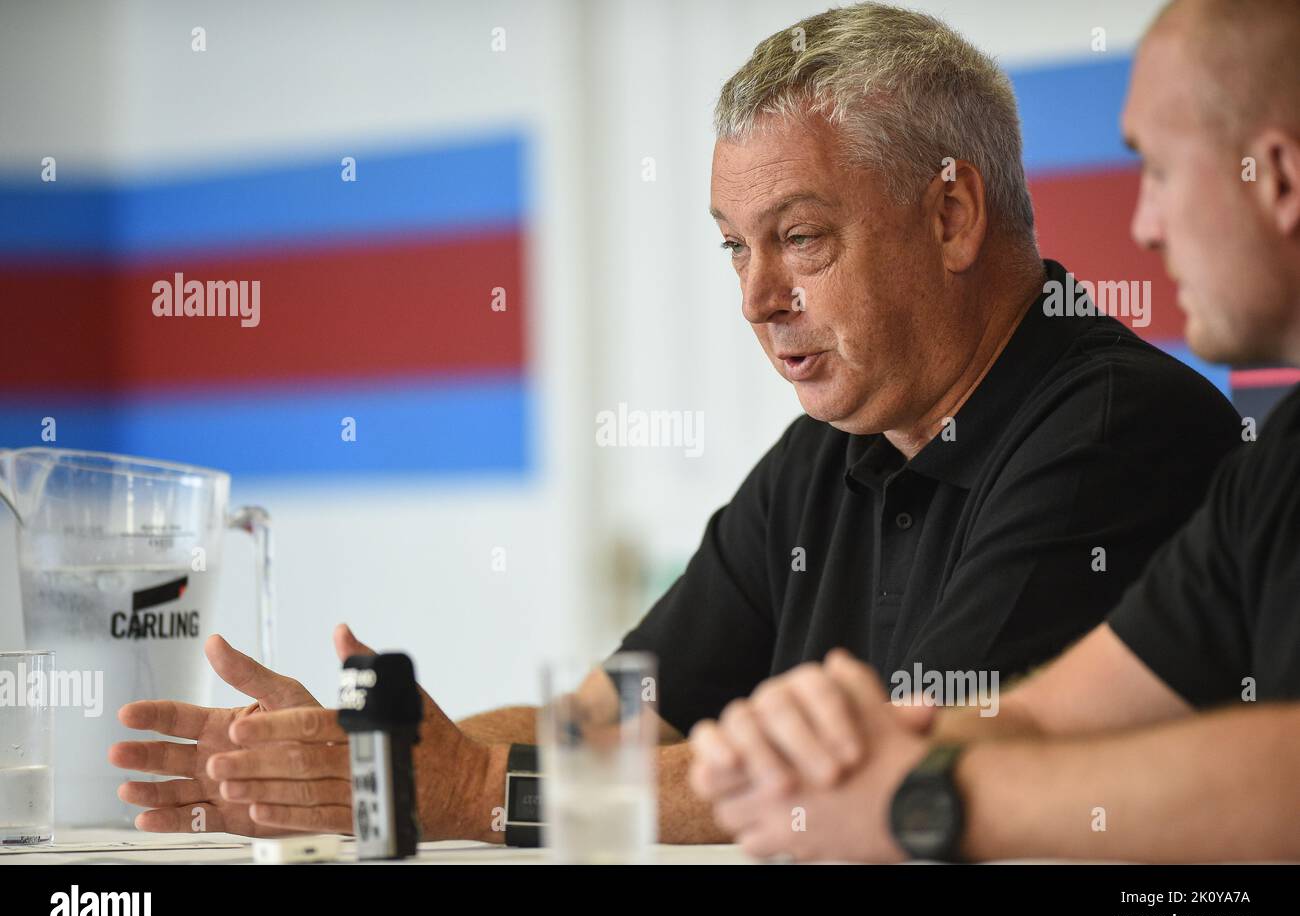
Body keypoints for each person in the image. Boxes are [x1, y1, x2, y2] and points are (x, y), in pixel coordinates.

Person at [110, 1, 1240, 844]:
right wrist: (352, 765)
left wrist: (464, 792)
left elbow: (891, 775)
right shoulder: (836, 445)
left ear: (949, 213)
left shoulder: (1112, 430)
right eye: (733, 247)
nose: (756, 299)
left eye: (800, 237)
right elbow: (615, 721)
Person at [688, 0, 1300, 862]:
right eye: (735, 249)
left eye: (1158, 171)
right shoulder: (1279, 459)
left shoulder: (1123, 422)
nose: (1143, 227)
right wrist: (873, 749)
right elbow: (1046, 715)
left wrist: (912, 793)